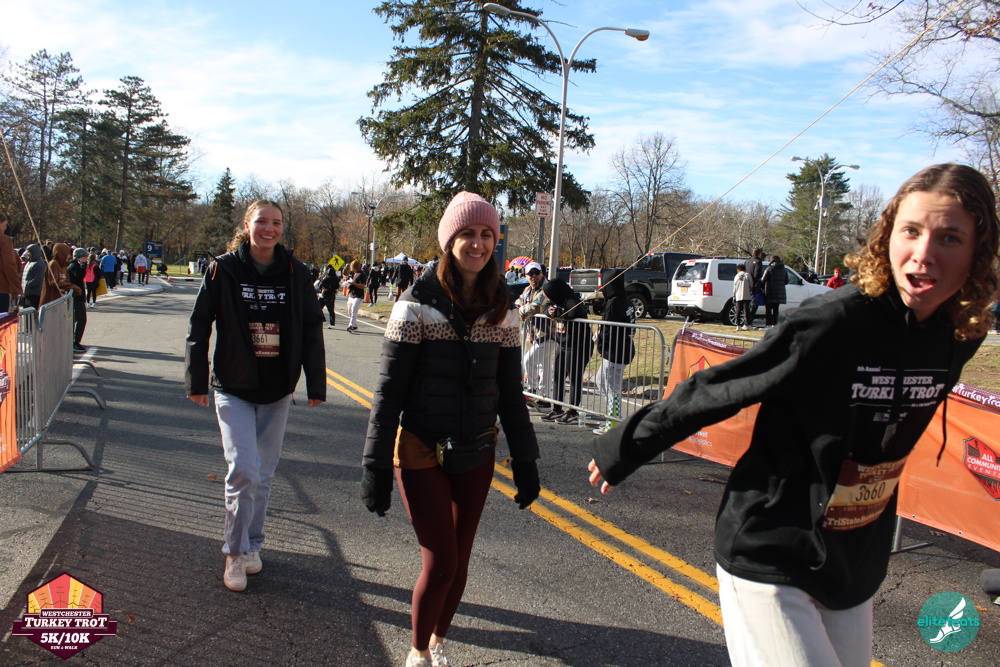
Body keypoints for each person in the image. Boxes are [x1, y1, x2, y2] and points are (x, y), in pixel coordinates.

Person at [588, 163, 1000, 667]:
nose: (924, 253)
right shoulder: (834, 322)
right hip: (772, 544)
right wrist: (625, 446)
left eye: (950, 237)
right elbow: (723, 387)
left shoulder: (961, 332)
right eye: (910, 231)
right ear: (888, 236)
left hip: (852, 559)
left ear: (978, 252)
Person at [361, 191, 539, 667]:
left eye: (486, 234)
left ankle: (439, 641)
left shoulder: (504, 308)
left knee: (459, 561)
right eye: (467, 234)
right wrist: (375, 465)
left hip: (476, 449)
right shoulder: (415, 305)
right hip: (421, 447)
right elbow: (388, 393)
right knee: (440, 563)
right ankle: (417, 653)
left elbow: (510, 394)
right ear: (448, 241)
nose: (478, 244)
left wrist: (526, 460)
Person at [185, 199, 326, 592]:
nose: (269, 229)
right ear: (247, 225)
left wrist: (316, 383)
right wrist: (196, 380)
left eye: (276, 223)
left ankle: (252, 545)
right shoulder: (223, 269)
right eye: (262, 221)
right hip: (233, 386)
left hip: (277, 387)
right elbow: (199, 325)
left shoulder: (297, 272)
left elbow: (312, 328)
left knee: (263, 474)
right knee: (244, 469)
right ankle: (234, 551)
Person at [541, 278, 592, 425]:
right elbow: (545, 308)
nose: (547, 297)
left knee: (575, 379)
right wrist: (550, 312)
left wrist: (558, 313)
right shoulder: (555, 300)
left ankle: (573, 412)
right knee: (558, 376)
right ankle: (557, 409)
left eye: (548, 294)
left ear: (555, 292)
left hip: (578, 344)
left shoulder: (571, 299)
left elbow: (575, 311)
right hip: (563, 344)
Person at [592, 268, 635, 434]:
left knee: (612, 388)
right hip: (621, 349)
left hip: (615, 351)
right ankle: (614, 417)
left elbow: (608, 329)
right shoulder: (625, 299)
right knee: (600, 381)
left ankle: (614, 422)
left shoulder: (615, 302)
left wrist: (601, 347)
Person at [515, 261, 554, 409]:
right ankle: (545, 400)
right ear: (525, 276)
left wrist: (522, 309)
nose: (533, 276)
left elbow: (535, 307)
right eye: (530, 274)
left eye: (536, 273)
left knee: (528, 360)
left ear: (542, 273)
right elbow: (518, 301)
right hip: (536, 334)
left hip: (550, 333)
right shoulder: (527, 290)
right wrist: (522, 306)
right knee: (544, 367)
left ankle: (532, 391)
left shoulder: (547, 289)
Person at [39, 243, 81, 307]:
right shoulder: (53, 264)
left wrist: (72, 288)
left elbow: (66, 281)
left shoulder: (64, 266)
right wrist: (72, 287)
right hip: (51, 301)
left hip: (60, 301)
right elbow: (53, 282)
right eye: (67, 253)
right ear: (62, 253)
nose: (69, 256)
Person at [67, 248, 89, 352]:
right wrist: (83, 265)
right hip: (76, 297)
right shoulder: (73, 266)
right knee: (81, 319)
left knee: (76, 319)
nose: (86, 259)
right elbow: (80, 276)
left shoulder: (75, 266)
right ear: (80, 257)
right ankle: (75, 342)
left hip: (77, 296)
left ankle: (73, 340)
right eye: (85, 257)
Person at [0, 214, 23, 311]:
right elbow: (9, 265)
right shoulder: (4, 240)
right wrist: (17, 289)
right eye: (4, 225)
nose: (5, 228)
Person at [760, 254, 787, 327]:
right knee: (776, 310)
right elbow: (786, 281)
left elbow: (763, 280)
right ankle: (774, 324)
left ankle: (768, 324)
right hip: (779, 293)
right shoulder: (784, 269)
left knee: (768, 309)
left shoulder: (769, 269)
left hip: (770, 292)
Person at [20, 243, 45, 309]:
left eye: (29, 252)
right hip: (27, 293)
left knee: (32, 312)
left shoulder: (39, 264)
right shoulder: (29, 263)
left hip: (34, 294)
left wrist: (28, 285)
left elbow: (38, 278)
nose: (28, 254)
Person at [345, 260, 367, 332]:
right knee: (350, 311)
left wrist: (353, 284)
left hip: (358, 296)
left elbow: (362, 286)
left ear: (354, 267)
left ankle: (352, 325)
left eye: (351, 267)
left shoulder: (361, 274)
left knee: (354, 310)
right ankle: (354, 324)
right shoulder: (353, 274)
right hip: (352, 295)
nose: (350, 268)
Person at [732, 263, 754, 330]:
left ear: (738, 269)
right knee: (746, 310)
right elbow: (751, 285)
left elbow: (734, 287)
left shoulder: (736, 276)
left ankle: (738, 325)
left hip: (738, 295)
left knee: (738, 310)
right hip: (746, 295)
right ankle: (748, 325)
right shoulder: (747, 275)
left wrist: (734, 296)